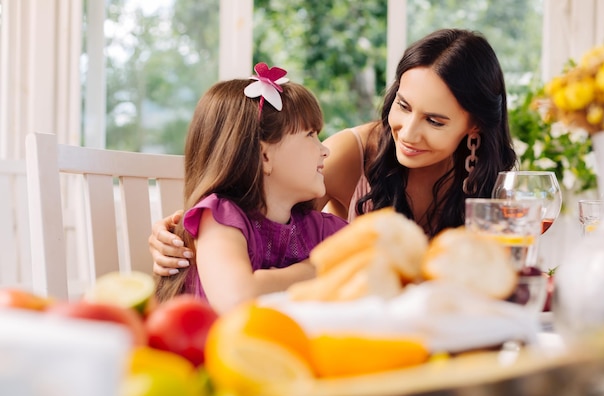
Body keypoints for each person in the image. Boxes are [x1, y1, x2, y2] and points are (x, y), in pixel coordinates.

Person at [149, 28, 517, 277]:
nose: (408, 132)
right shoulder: (349, 154)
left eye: (435, 121)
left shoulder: (494, 178)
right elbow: (259, 219)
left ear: (474, 126)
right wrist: (184, 235)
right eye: (403, 106)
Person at [155, 63, 347, 313]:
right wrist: (318, 268)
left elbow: (380, 257)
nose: (325, 150)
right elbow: (237, 298)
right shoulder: (219, 217)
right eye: (310, 134)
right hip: (211, 350)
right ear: (264, 156)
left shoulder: (320, 229)